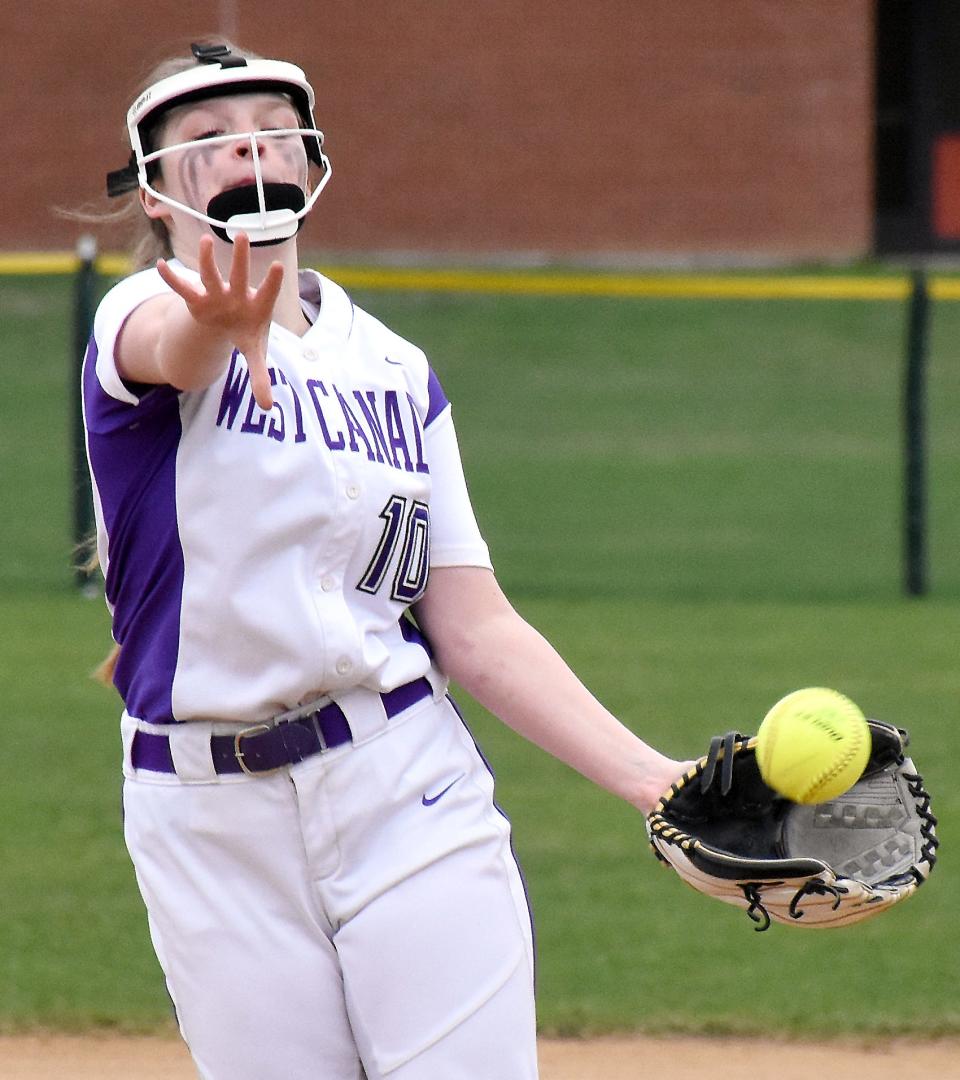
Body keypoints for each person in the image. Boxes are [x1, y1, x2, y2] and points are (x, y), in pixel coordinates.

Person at [84, 40, 690, 1080]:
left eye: (273, 128)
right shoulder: (139, 321)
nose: (248, 148)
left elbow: (475, 627)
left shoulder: (395, 369)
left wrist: (658, 785)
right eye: (209, 138)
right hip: (205, 819)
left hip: (401, 780)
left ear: (313, 163)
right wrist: (212, 321)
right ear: (154, 190)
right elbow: (166, 345)